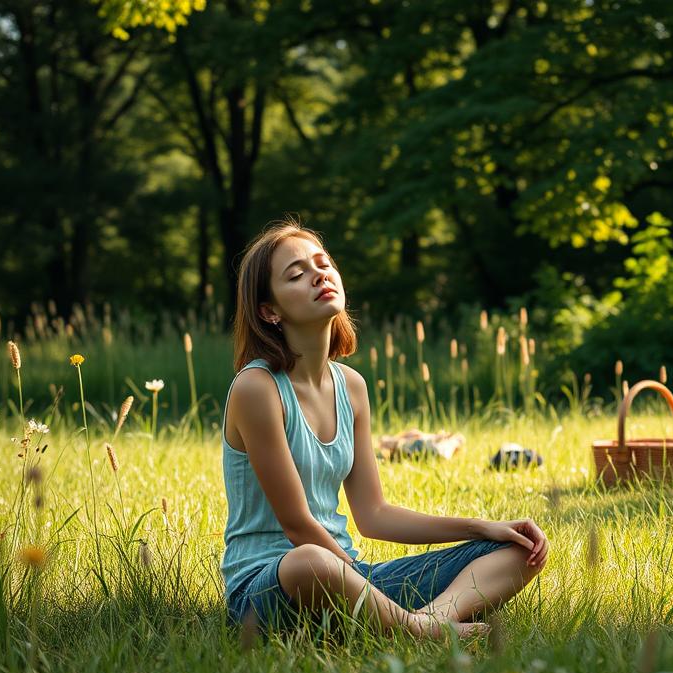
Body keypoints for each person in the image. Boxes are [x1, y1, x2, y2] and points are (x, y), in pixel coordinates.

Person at [221, 218, 549, 639]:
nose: (319, 274)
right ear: (270, 311)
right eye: (297, 274)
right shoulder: (257, 387)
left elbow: (374, 515)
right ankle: (417, 630)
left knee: (517, 551)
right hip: (270, 589)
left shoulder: (351, 387)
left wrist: (483, 526)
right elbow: (297, 523)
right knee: (310, 560)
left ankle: (419, 621)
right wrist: (358, 580)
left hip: (349, 575)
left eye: (323, 264)